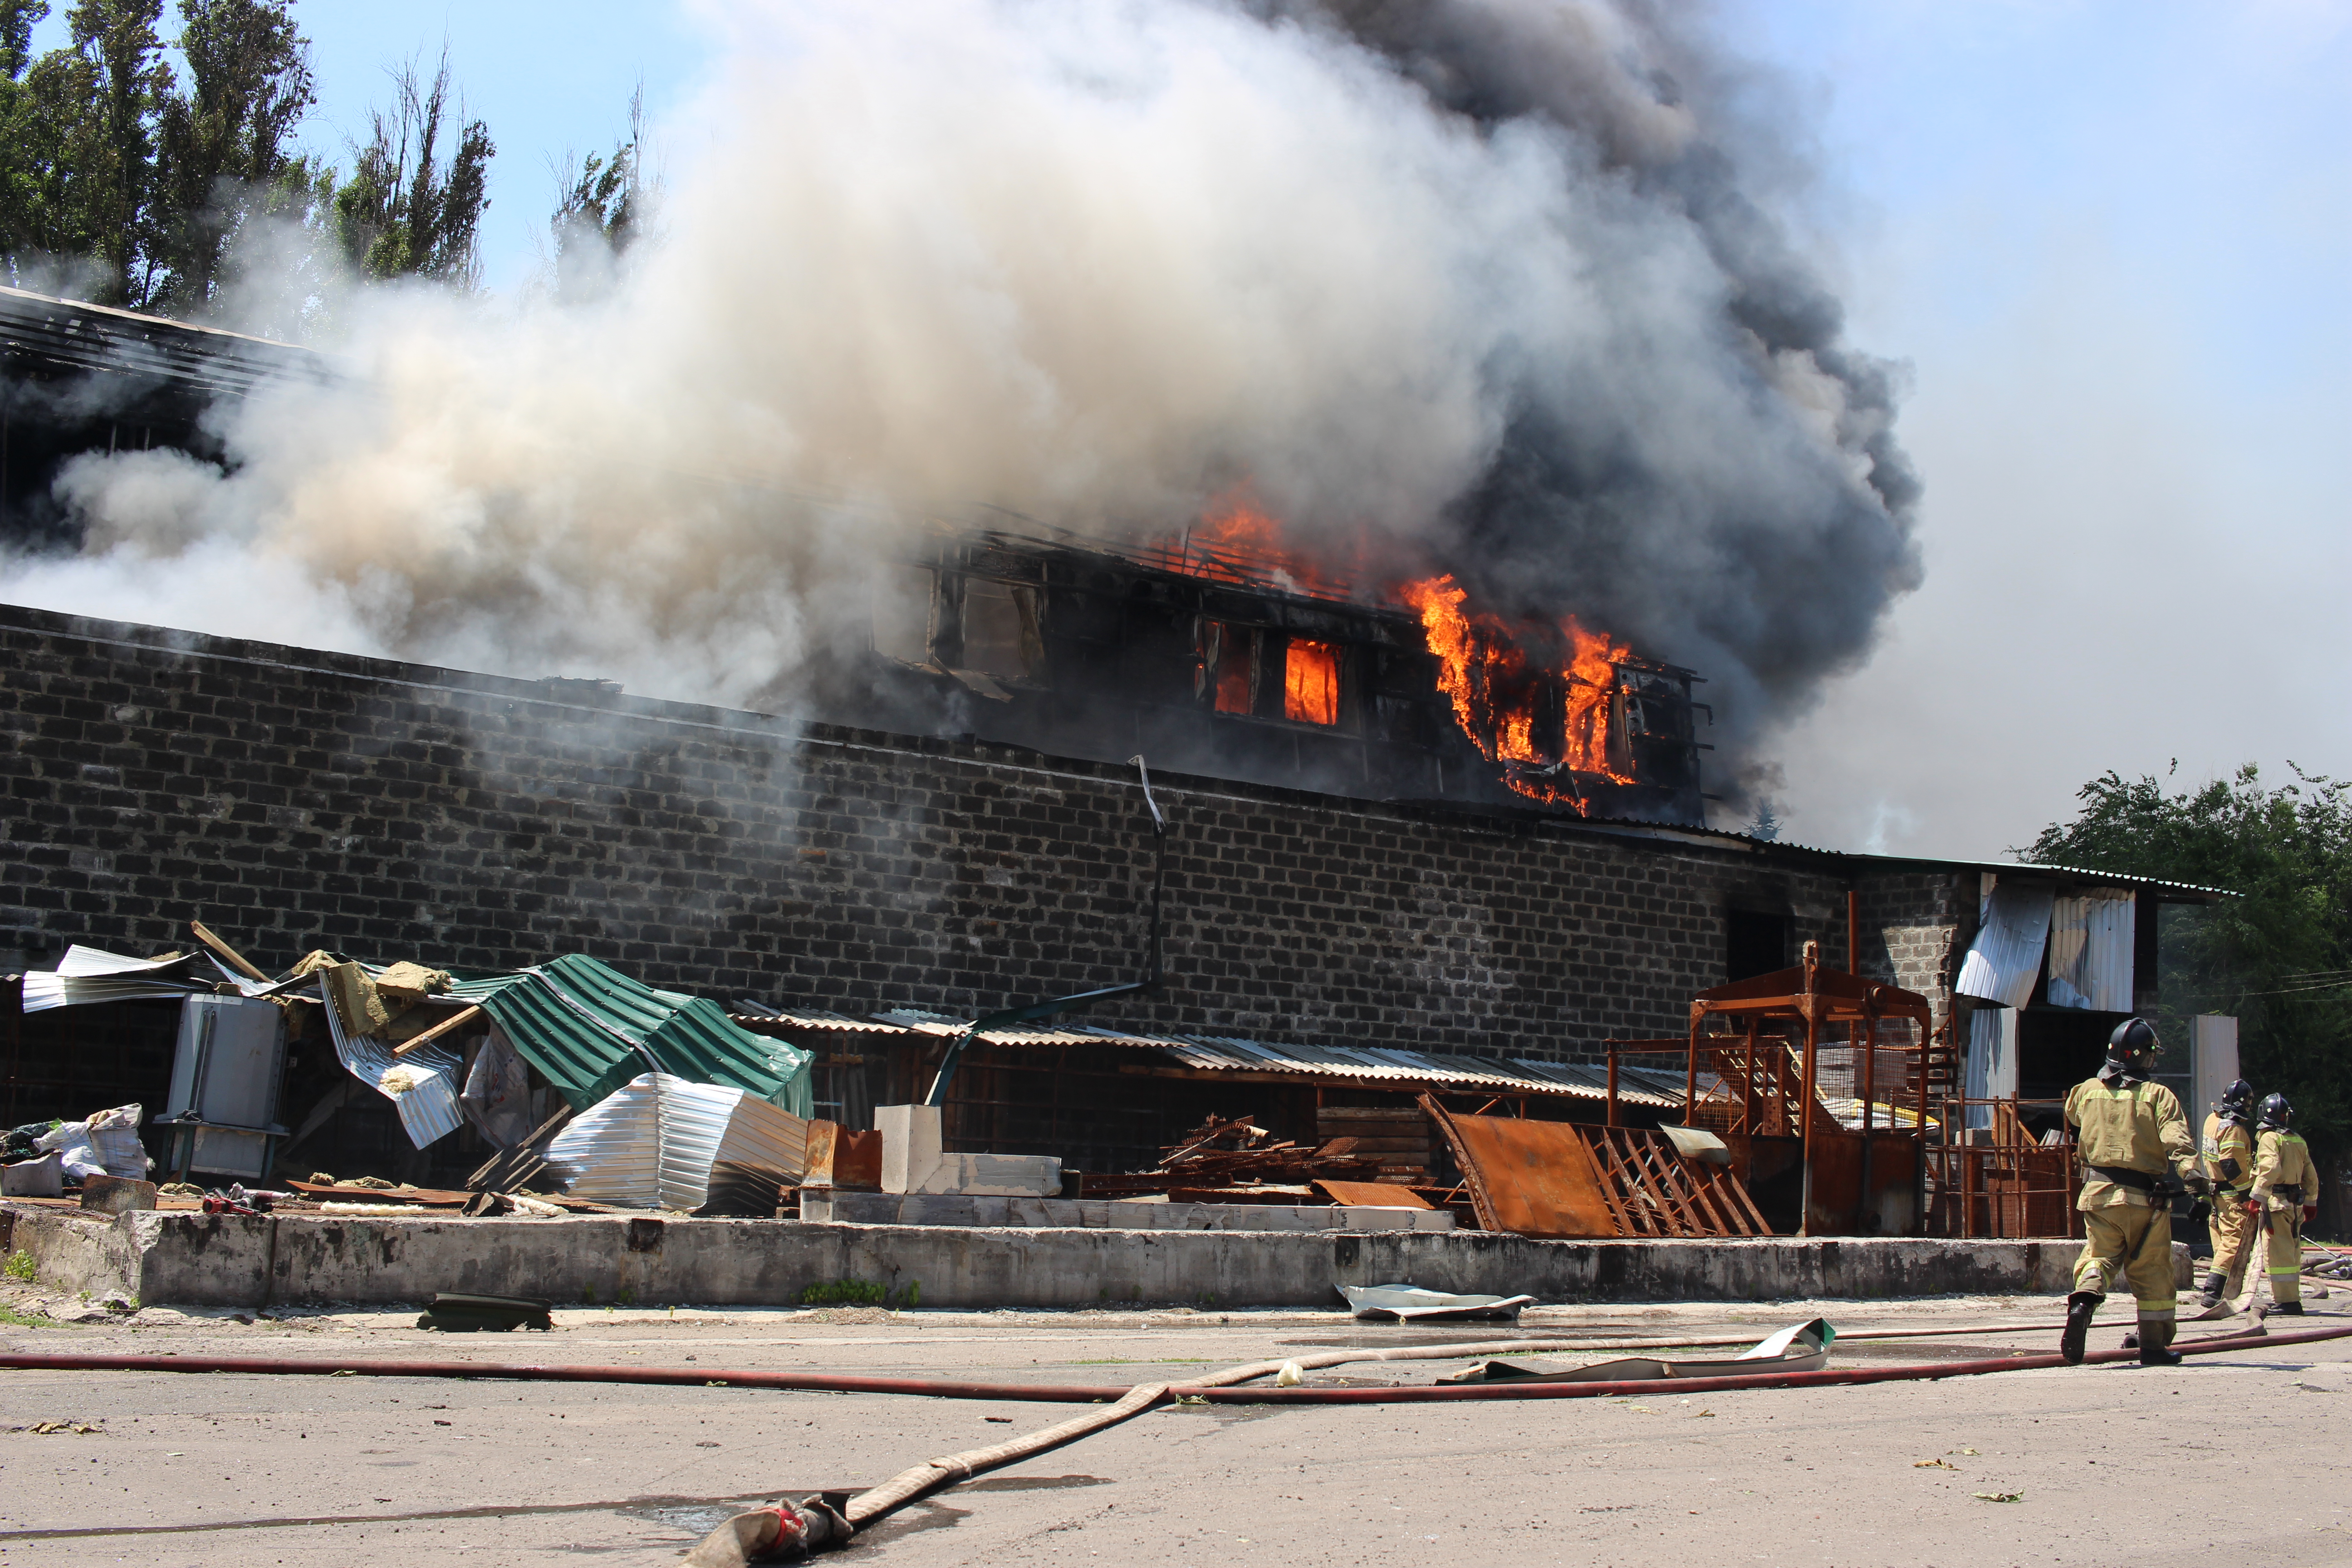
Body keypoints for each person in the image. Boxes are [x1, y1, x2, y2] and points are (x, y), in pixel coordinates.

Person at [2061, 1017, 2206, 1366]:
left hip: (2097, 1195)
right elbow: (2178, 1143)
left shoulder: (2086, 1090)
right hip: (2145, 1201)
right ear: (2146, 1059)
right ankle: (2154, 1347)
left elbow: (2073, 1115)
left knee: (2099, 1257)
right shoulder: (2158, 1097)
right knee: (2153, 1272)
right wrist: (2197, 1186)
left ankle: (2084, 1301)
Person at [2248, 1093, 2320, 1316]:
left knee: (2278, 1255)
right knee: (2292, 1252)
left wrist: (2256, 1197)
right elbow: (2311, 1177)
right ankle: (2291, 1298)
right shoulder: (2297, 1139)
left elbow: (2271, 1169)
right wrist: (2311, 1202)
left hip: (2277, 1204)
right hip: (2295, 1205)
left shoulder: (2269, 1138)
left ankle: (2287, 1302)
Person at [2195, 1078, 2259, 1309]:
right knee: (2234, 1243)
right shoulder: (2233, 1129)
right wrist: (2247, 1196)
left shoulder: (2212, 1120)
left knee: (2221, 1243)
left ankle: (2228, 1291)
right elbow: (2231, 1164)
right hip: (2233, 1196)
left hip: (2216, 1193)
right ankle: (2213, 1292)